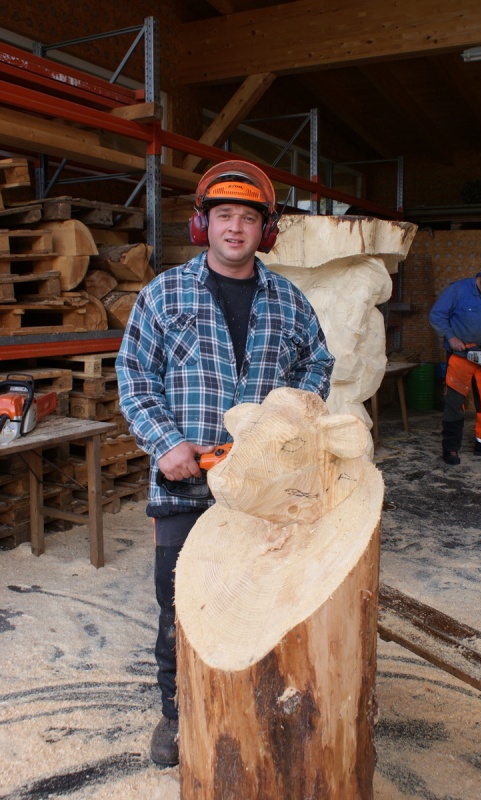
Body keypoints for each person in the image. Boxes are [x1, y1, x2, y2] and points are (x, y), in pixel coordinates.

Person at [116, 160, 335, 766]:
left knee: (265, 600)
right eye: (224, 216)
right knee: (180, 607)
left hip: (267, 488)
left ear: (265, 231)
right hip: (184, 485)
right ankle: (178, 713)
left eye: (248, 218)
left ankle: (256, 709)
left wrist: (288, 422)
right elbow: (134, 377)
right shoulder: (163, 294)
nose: (235, 228)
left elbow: (318, 365)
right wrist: (165, 443)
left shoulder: (289, 302)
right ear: (203, 224)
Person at [429, 265, 481, 465]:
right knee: (455, 404)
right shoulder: (458, 290)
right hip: (461, 356)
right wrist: (451, 337)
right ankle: (451, 449)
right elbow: (437, 315)